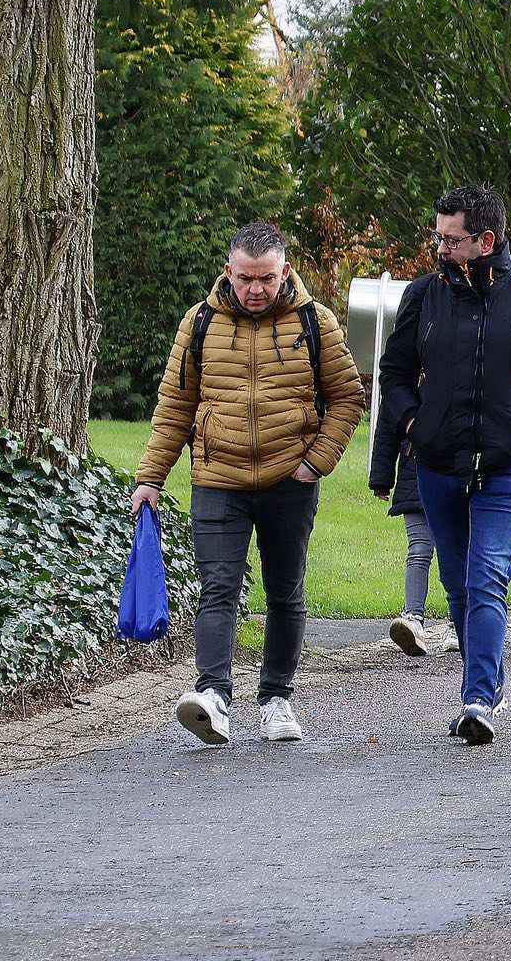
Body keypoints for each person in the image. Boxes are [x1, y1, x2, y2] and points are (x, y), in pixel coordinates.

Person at [134, 221, 365, 748]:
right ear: (228, 272)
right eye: (244, 279)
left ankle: (277, 698)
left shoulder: (315, 321)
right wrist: (151, 477)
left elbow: (349, 397)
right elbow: (174, 407)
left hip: (291, 479)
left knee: (285, 591)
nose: (255, 289)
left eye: (265, 278)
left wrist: (315, 463)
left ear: (284, 272)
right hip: (218, 479)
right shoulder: (198, 325)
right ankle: (213, 696)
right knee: (219, 587)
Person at [376, 186, 511, 743]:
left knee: (487, 575)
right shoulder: (422, 296)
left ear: (485, 239)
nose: (440, 247)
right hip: (438, 464)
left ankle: (477, 701)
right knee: (458, 585)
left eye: (452, 238)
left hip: (508, 464)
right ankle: (486, 680)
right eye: (437, 236)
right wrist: (416, 425)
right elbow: (392, 376)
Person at [374, 434, 459, 657]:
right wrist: (381, 477)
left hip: (457, 469)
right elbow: (390, 420)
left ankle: (457, 622)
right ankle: (413, 620)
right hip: (416, 469)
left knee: (451, 550)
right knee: (420, 548)